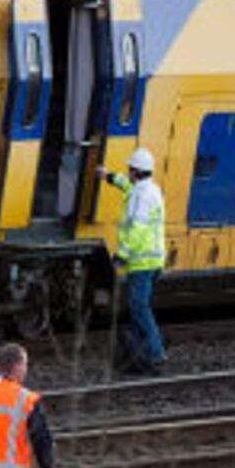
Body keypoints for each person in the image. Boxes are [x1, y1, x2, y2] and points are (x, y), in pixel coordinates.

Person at [96, 147, 167, 375]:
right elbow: (126, 186)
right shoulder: (148, 189)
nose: (127, 174)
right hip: (151, 261)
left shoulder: (141, 196)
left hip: (142, 262)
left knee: (139, 307)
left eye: (129, 170)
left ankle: (155, 353)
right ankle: (139, 355)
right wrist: (108, 176)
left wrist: (121, 256)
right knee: (137, 309)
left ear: (135, 171)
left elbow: (136, 230)